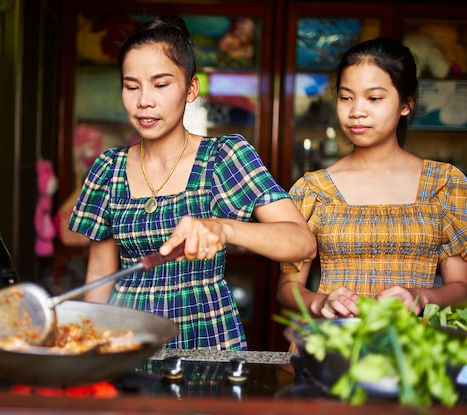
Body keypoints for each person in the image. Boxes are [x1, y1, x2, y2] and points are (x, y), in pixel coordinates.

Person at [69, 16, 316, 350]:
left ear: (191, 89)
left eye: (161, 84)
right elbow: (100, 275)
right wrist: (84, 350)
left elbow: (301, 242)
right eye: (132, 86)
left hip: (206, 340)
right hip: (128, 341)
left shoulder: (223, 157)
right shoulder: (108, 169)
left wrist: (223, 228)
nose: (144, 101)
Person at [278, 37, 467, 319]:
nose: (357, 111)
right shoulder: (312, 189)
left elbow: (461, 288)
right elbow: (288, 287)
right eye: (346, 97)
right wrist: (321, 302)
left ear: (406, 103)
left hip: (416, 350)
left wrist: (420, 297)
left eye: (374, 98)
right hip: (334, 349)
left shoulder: (444, 184)